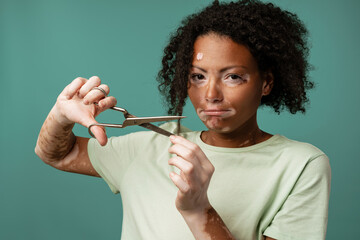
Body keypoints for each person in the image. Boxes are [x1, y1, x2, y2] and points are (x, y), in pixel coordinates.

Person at [35, 0, 331, 239]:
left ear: (265, 83)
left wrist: (199, 210)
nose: (211, 94)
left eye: (233, 77)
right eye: (198, 77)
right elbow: (57, 154)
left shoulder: (301, 166)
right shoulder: (148, 146)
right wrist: (61, 116)